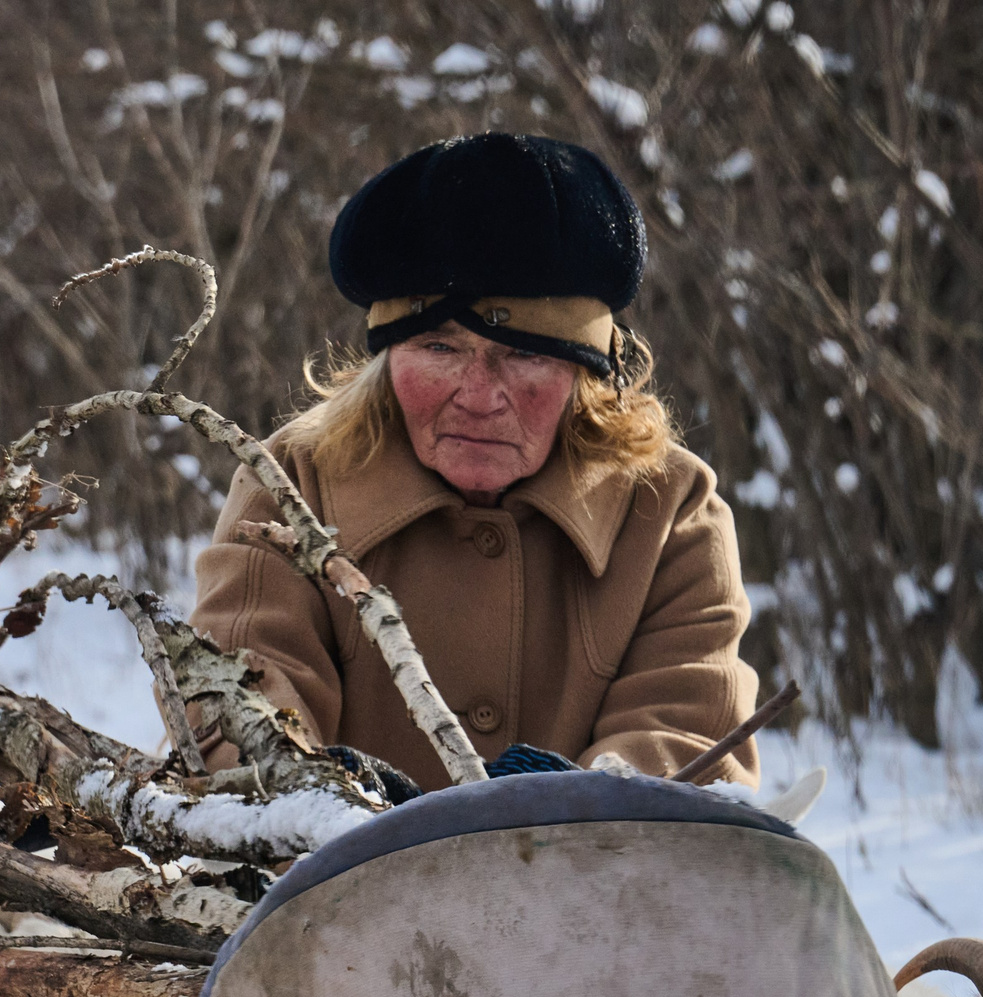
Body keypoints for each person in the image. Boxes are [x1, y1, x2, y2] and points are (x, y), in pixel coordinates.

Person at [192, 132, 761, 789]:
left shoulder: (668, 512)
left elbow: (689, 730)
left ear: (589, 373)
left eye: (525, 354)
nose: (480, 396)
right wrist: (316, 793)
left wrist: (572, 805)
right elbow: (236, 696)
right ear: (386, 359)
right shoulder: (291, 484)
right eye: (439, 348)